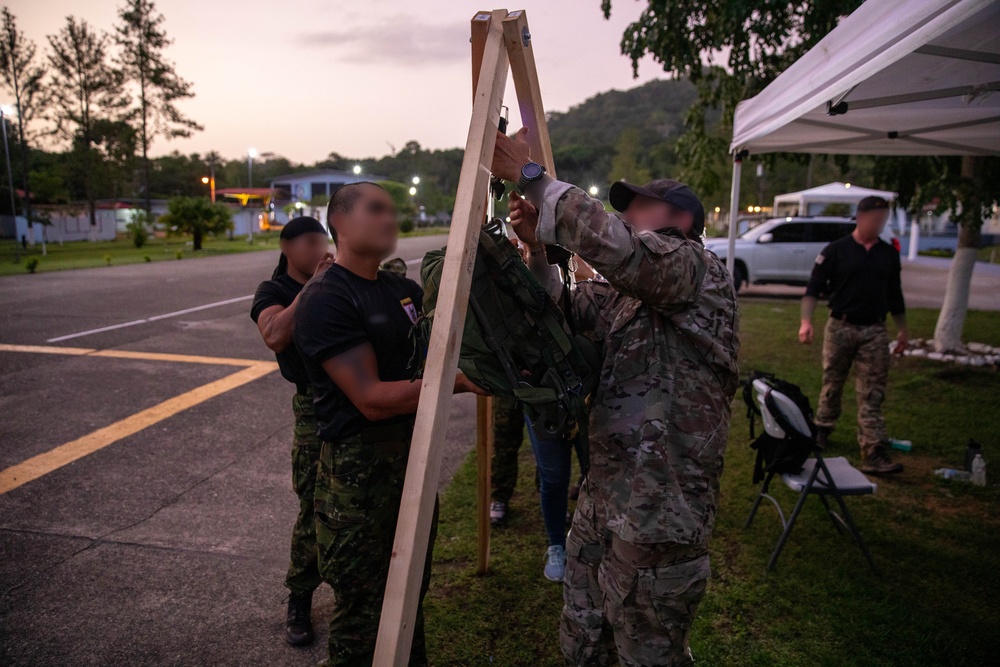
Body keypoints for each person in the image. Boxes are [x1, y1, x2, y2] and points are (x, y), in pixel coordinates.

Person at [493, 128, 740, 666]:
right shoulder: (629, 294)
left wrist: (532, 177)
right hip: (606, 499)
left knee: (647, 651)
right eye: (624, 208)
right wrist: (536, 249)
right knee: (585, 636)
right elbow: (563, 306)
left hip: (659, 512)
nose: (627, 215)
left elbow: (619, 248)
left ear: (680, 222)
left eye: (641, 207)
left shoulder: (695, 270)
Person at [293, 182, 486, 667]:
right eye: (376, 209)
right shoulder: (326, 297)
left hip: (411, 464)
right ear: (339, 222)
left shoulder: (401, 290)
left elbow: (444, 342)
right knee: (364, 616)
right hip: (357, 484)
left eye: (392, 211)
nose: (389, 219)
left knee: (408, 597)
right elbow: (372, 399)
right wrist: (460, 381)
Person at [249, 216, 333, 647]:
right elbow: (275, 335)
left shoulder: (336, 278)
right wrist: (312, 288)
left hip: (354, 397)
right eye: (310, 241)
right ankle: (300, 596)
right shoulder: (275, 291)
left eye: (324, 239)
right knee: (314, 506)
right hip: (313, 405)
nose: (320, 247)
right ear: (287, 247)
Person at [799, 195, 908, 475]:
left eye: (883, 220)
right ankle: (822, 428)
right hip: (840, 326)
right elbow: (813, 288)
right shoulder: (837, 250)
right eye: (875, 219)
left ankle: (872, 449)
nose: (879, 225)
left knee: (872, 391)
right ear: (860, 217)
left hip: (874, 329)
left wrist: (903, 330)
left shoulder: (887, 253)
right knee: (832, 382)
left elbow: (895, 295)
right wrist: (806, 322)